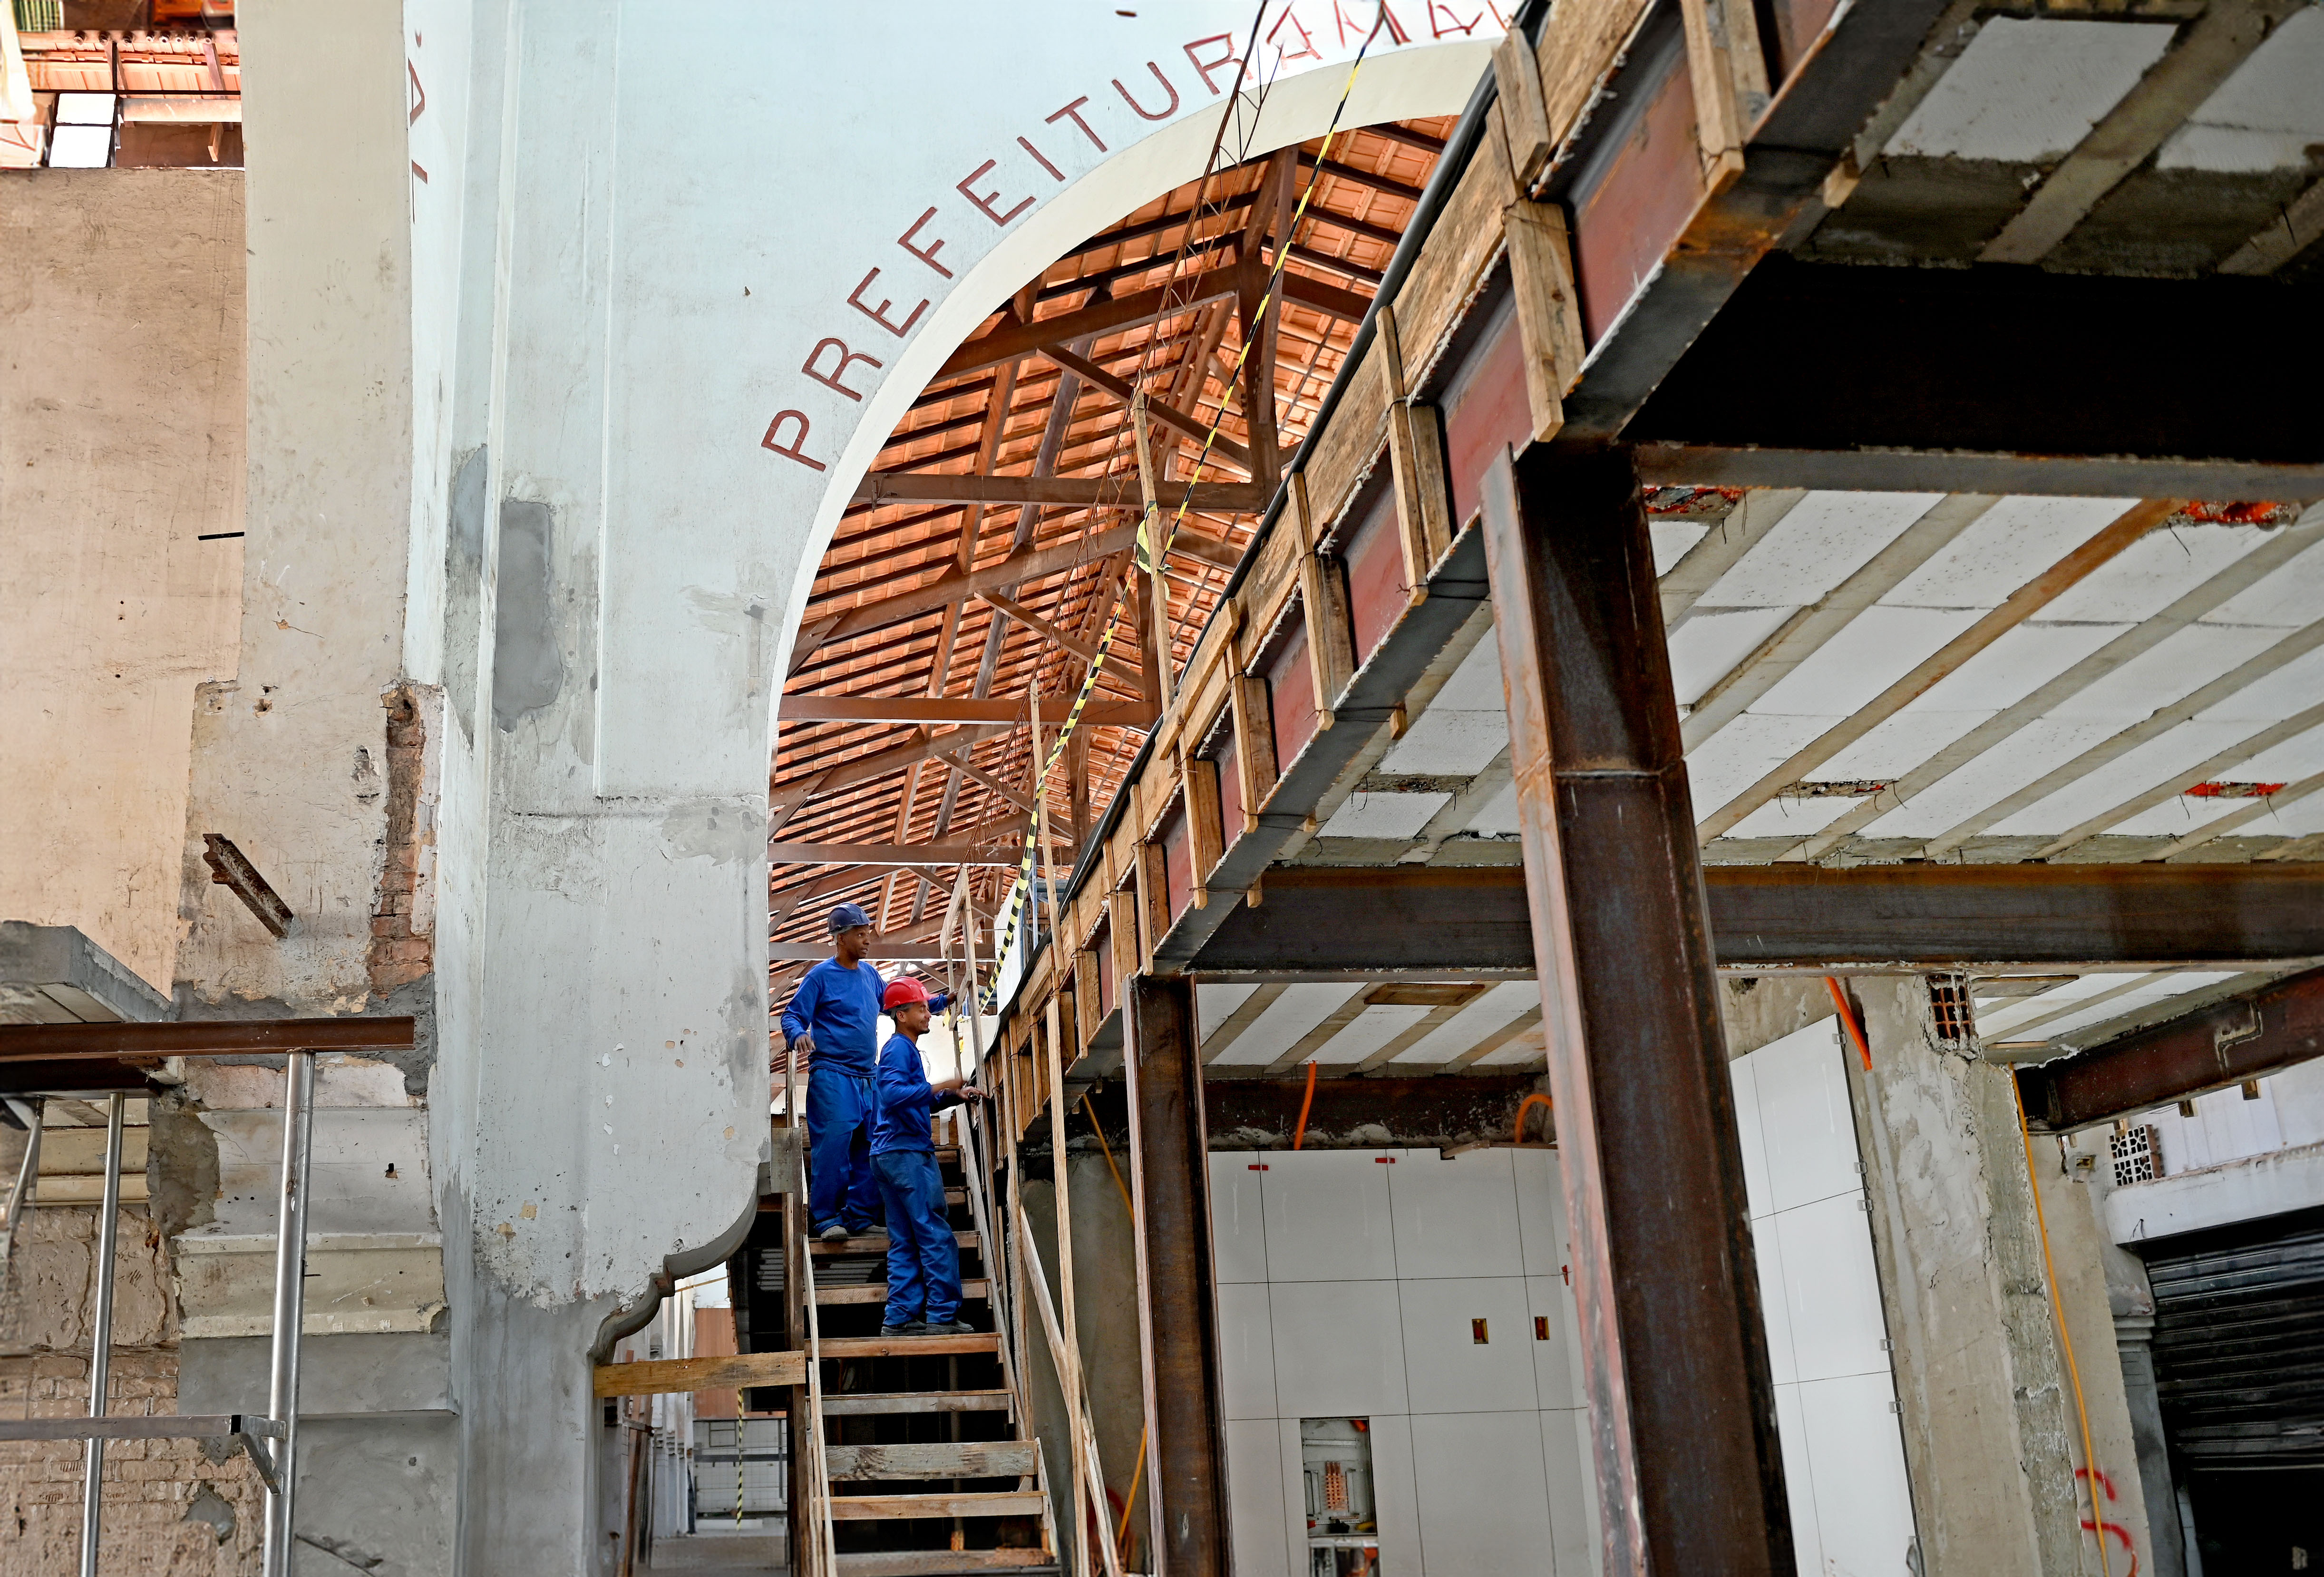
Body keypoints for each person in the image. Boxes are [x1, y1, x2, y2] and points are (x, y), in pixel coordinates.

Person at [871, 977, 983, 1337]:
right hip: (906, 1154)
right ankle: (942, 1316)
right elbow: (893, 1095)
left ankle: (899, 1318)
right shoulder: (899, 1049)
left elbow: (914, 1098)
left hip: (890, 1154)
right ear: (901, 1015)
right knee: (935, 1234)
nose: (927, 1012)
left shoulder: (902, 1050)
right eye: (921, 1007)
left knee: (904, 1238)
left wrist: (955, 1096)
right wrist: (945, 1084)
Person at [780, 904, 894, 1242]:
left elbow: (895, 1002)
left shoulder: (871, 976)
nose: (866, 940)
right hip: (832, 1075)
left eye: (867, 933)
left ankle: (859, 1218)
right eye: (860, 934)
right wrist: (798, 1035)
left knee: (872, 1148)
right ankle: (827, 1219)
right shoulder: (820, 976)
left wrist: (932, 1004)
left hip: (867, 1078)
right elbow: (792, 1016)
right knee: (834, 1149)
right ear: (839, 938)